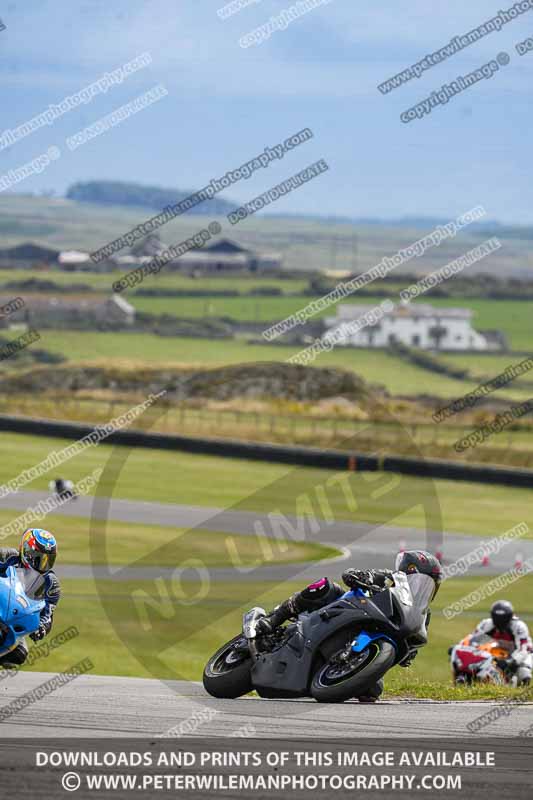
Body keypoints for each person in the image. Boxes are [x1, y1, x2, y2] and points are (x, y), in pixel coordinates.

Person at [255, 549, 442, 701]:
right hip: (346, 611)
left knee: (372, 692)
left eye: (427, 585)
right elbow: (353, 574)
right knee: (326, 587)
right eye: (418, 580)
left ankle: (335, 673)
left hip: (370, 644)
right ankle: (274, 618)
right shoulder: (386, 578)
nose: (421, 588)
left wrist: (409, 652)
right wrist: (357, 575)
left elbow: (411, 651)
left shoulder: (423, 616)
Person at [0, 528, 60, 669]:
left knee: (20, 655)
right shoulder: (8, 556)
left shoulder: (51, 583)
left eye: (48, 560)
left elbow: (48, 614)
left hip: (15, 618)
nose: (43, 564)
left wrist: (42, 628)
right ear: (26, 552)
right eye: (39, 558)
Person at [470, 600, 532, 686]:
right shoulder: (486, 624)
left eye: (503, 618)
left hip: (518, 657)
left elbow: (523, 649)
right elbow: (473, 640)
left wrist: (510, 661)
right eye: (497, 618)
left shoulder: (519, 626)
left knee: (523, 674)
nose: (500, 621)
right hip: (494, 656)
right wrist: (459, 647)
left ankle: (522, 694)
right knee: (477, 670)